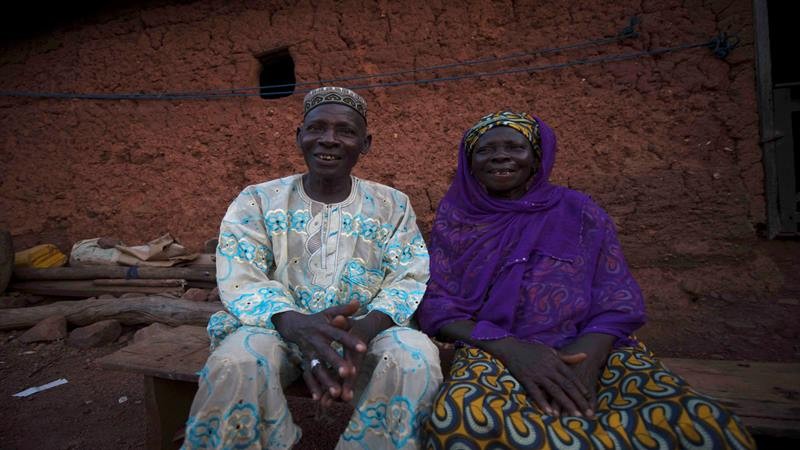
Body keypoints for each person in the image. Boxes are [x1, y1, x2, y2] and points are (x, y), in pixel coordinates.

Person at [417, 111, 755, 449]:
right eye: (484, 150)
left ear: (537, 157)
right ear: (469, 163)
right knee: (461, 421)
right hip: (495, 350)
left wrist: (587, 358)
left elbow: (616, 297)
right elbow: (438, 307)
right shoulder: (458, 220)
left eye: (515, 147)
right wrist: (514, 351)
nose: (500, 156)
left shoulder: (579, 212)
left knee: (695, 421)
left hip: (587, 345)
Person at [182, 87, 442, 449]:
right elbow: (242, 274)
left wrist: (362, 330)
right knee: (235, 363)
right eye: (317, 127)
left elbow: (409, 274)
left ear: (365, 144)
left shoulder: (392, 204)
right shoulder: (257, 199)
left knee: (415, 359)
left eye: (346, 131)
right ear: (299, 135)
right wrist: (294, 323)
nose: (329, 140)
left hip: (367, 328)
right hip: (276, 325)